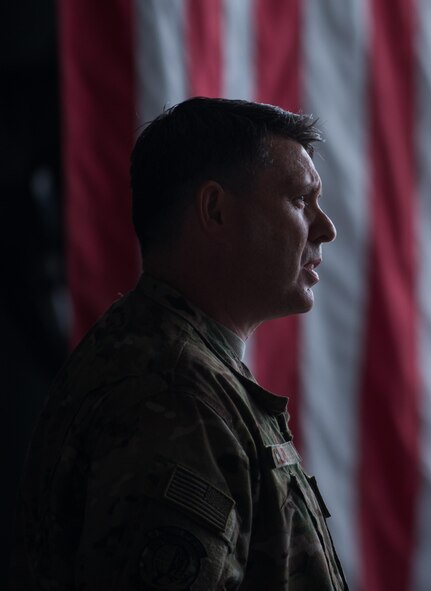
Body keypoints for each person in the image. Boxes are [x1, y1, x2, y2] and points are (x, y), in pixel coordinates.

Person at [11, 97, 346, 589]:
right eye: (300, 200)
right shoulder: (172, 393)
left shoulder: (182, 365)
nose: (327, 229)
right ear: (215, 210)